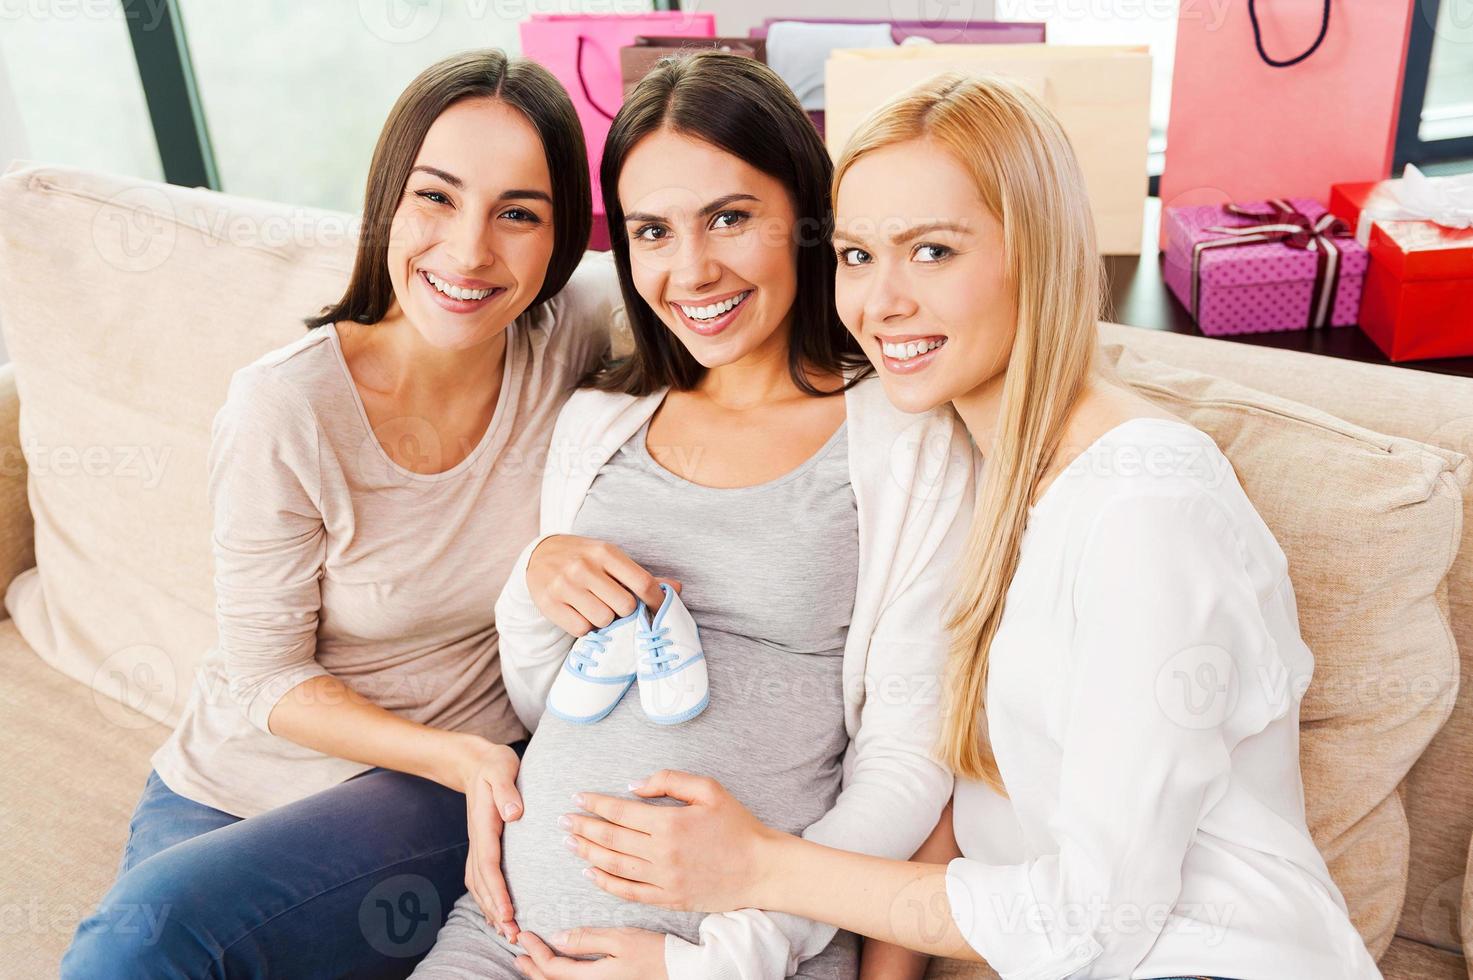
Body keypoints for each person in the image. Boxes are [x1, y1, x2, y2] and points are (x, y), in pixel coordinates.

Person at [545, 73, 1384, 980]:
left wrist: (758, 869)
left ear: (1040, 251)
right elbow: (952, 791)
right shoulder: (975, 472)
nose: (880, 303)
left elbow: (1094, 920)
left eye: (933, 252)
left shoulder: (1147, 505)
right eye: (859, 256)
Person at [62, 49, 624, 978]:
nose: (471, 250)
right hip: (227, 779)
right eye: (436, 197)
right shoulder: (284, 407)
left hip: (422, 788)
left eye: (517, 213)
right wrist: (460, 758)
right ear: (387, 206)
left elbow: (708, 275)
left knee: (157, 929)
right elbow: (264, 678)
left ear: (560, 239)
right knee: (136, 943)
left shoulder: (571, 330)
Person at [411, 52, 973, 980]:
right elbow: (551, 709)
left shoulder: (904, 436)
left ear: (803, 217)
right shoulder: (596, 422)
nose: (692, 269)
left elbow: (909, 764)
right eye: (652, 231)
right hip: (506, 939)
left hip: (748, 955)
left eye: (729, 218)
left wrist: (722, 954)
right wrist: (533, 587)